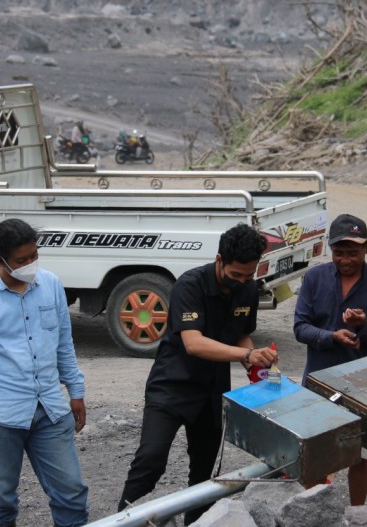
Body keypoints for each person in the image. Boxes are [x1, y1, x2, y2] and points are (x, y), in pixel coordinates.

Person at [117, 223, 279, 525]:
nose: (242, 281)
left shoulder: (246, 290)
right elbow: (194, 343)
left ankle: (196, 522)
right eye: (235, 275)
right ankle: (122, 518)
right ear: (219, 260)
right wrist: (246, 354)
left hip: (212, 391)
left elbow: (241, 334)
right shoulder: (189, 285)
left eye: (249, 275)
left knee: (204, 471)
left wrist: (258, 364)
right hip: (171, 387)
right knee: (150, 461)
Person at [0, 218, 89, 527]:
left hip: (51, 410)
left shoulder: (51, 284)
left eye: (34, 256)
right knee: (1, 500)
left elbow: (63, 343)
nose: (30, 264)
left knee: (71, 492)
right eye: (21, 260)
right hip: (2, 417)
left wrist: (76, 391)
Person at [293, 213, 367, 506]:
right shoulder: (314, 278)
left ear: (366, 249)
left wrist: (364, 326)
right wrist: (331, 337)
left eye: (353, 253)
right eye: (339, 253)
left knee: (358, 455)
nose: (346, 259)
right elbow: (300, 328)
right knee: (316, 452)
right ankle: (313, 512)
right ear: (330, 250)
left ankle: (358, 513)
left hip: (362, 383)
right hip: (319, 378)